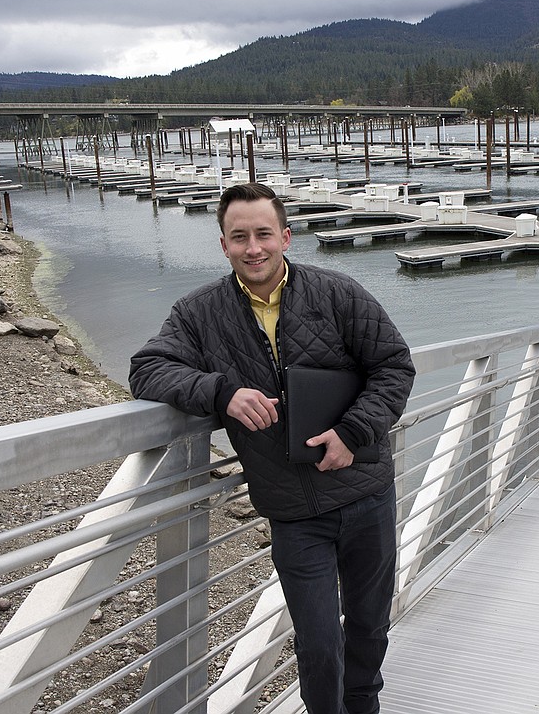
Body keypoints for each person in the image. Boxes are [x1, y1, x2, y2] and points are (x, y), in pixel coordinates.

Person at [129, 181, 415, 714]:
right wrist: (221, 393)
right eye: (240, 237)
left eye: (264, 234)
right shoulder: (199, 313)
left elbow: (394, 365)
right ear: (223, 244)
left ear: (286, 236)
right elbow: (146, 369)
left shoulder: (338, 293)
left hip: (365, 494)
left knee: (370, 627)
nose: (253, 247)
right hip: (292, 511)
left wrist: (353, 433)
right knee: (320, 645)